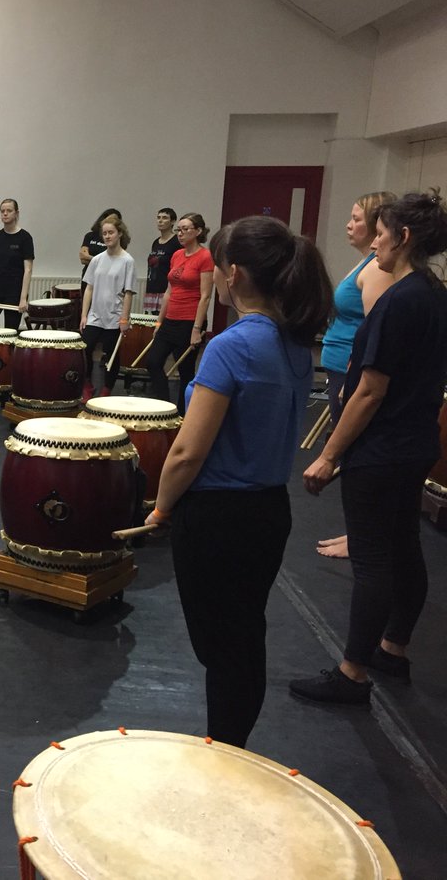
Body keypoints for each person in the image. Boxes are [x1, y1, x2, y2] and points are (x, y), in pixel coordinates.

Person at [145, 215, 332, 748]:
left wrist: (160, 510)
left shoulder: (232, 346)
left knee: (221, 648)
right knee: (244, 636)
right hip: (269, 511)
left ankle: (225, 754)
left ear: (234, 273)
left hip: (217, 518)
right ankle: (232, 745)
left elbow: (186, 451)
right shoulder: (296, 343)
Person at [294, 190, 447, 705]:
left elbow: (370, 390)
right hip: (417, 442)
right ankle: (393, 649)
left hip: (382, 450)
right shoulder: (433, 291)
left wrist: (329, 455)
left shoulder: (398, 300)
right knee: (404, 546)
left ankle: (352, 672)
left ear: (403, 238)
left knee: (375, 559)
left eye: (381, 233)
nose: (374, 242)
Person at [313, 191, 397, 559]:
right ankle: (358, 533)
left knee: (355, 454)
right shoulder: (364, 263)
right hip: (340, 367)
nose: (349, 225)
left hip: (353, 373)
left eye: (357, 219)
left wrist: (355, 375)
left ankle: (361, 537)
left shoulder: (377, 269)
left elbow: (375, 328)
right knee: (352, 456)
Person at [145, 212, 214, 415]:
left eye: (185, 229)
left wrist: (196, 329)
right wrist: (159, 323)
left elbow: (205, 296)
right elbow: (168, 291)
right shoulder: (176, 255)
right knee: (153, 362)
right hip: (170, 319)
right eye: (179, 230)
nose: (180, 234)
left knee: (185, 371)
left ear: (198, 231)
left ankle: (184, 416)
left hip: (189, 321)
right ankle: (165, 409)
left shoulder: (205, 257)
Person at [78, 215, 135, 399]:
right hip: (95, 315)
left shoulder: (127, 261)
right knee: (85, 348)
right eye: (104, 233)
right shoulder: (97, 260)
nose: (107, 236)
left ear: (119, 234)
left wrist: (124, 319)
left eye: (111, 232)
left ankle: (107, 389)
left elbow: (128, 292)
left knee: (111, 355)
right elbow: (89, 288)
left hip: (114, 317)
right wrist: (84, 315)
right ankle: (87, 384)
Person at [0, 198, 33, 329]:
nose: (5, 213)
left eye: (9, 210)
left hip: (15, 292)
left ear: (16, 213)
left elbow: (28, 270)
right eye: (2, 211)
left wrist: (23, 298)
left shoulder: (25, 238)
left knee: (10, 332)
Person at [144, 208, 180, 314]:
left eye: (164, 218)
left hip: (165, 290)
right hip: (152, 289)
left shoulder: (176, 242)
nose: (160, 221)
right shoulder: (156, 242)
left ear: (172, 221)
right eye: (158, 218)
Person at [79, 207, 122, 280]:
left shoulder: (117, 239)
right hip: (88, 276)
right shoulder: (90, 236)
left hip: (106, 277)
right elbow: (83, 258)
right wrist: (102, 261)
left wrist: (91, 259)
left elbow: (113, 262)